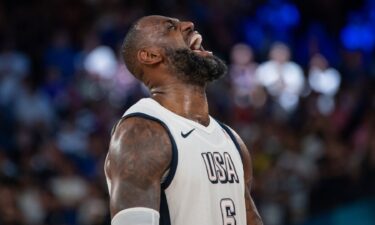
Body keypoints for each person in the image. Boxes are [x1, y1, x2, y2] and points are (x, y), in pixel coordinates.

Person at [104, 15, 263, 225]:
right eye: (171, 27)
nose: (189, 25)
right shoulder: (140, 132)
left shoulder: (231, 139)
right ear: (150, 55)